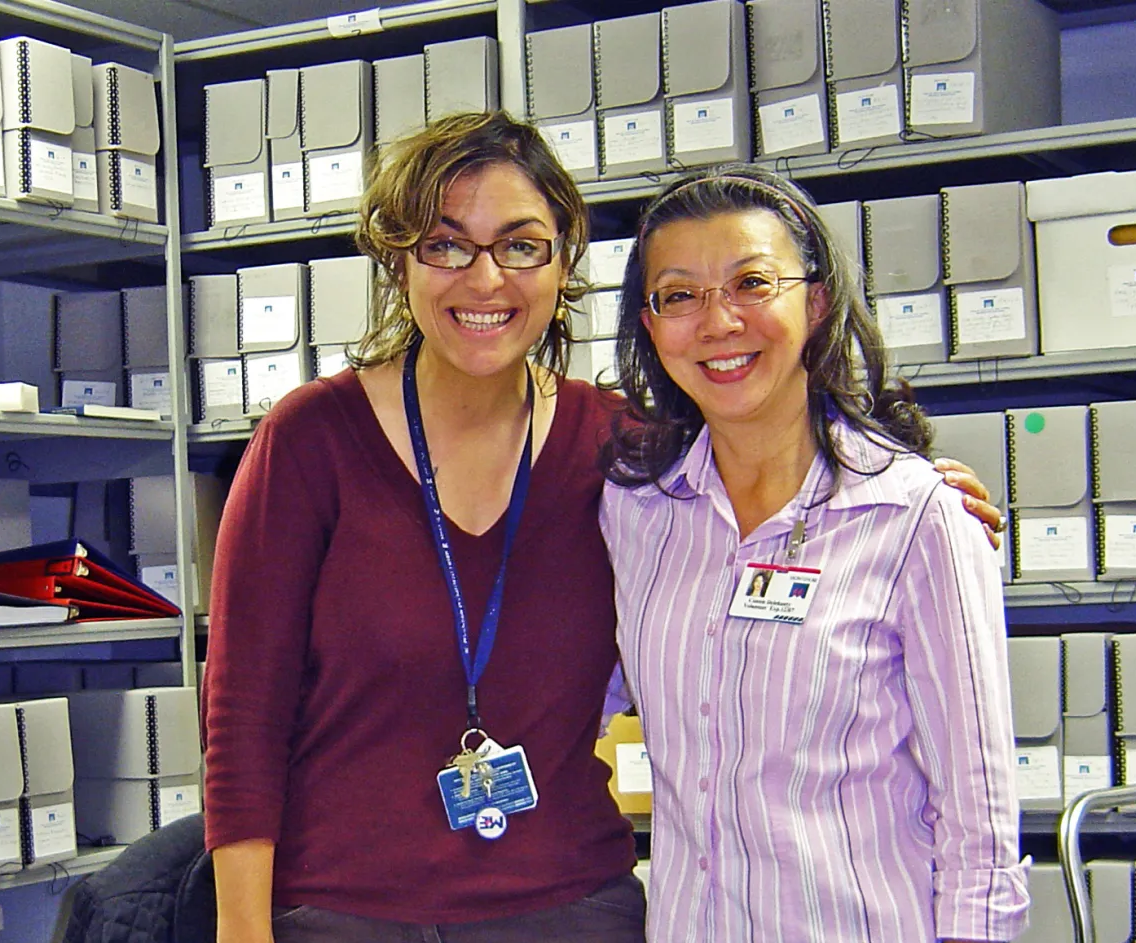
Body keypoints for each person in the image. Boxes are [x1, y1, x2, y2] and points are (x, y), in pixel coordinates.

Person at [202, 113, 1005, 943]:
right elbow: (241, 714)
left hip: (570, 904)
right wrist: (242, 927)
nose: (486, 280)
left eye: (520, 244)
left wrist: (918, 499)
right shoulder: (310, 440)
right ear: (399, 260)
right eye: (446, 244)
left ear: (562, 264)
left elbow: (762, 492)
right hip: (344, 911)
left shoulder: (624, 455)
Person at [598, 164, 1029, 943]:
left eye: (752, 283)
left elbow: (981, 818)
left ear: (816, 299)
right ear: (650, 325)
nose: (719, 320)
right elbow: (564, 695)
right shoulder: (635, 514)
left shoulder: (917, 514)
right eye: (679, 295)